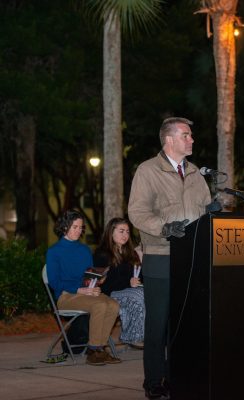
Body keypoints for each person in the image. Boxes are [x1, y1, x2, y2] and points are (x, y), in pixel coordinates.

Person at [128, 117, 213, 399]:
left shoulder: (195, 173)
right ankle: (153, 380)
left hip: (191, 261)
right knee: (158, 325)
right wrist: (164, 229)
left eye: (190, 135)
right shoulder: (148, 170)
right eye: (186, 135)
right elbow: (137, 213)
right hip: (161, 257)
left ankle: (180, 377)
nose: (192, 140)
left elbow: (203, 214)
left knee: (185, 325)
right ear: (170, 140)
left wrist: (212, 212)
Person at [46, 209, 121, 366]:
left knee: (113, 305)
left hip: (85, 294)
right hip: (66, 296)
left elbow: (88, 276)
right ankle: (93, 350)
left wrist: (96, 283)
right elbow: (54, 282)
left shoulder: (84, 250)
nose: (79, 231)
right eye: (75, 227)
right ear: (65, 227)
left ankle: (99, 348)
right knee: (100, 305)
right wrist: (79, 289)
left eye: (81, 227)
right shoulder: (54, 252)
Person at [93, 217, 145, 349]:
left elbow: (139, 275)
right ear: (111, 232)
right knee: (138, 295)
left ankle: (142, 334)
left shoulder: (130, 252)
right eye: (121, 231)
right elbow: (105, 283)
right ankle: (132, 336)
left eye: (127, 232)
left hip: (128, 291)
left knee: (146, 293)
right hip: (109, 294)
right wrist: (129, 282)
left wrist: (137, 280)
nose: (125, 235)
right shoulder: (102, 254)